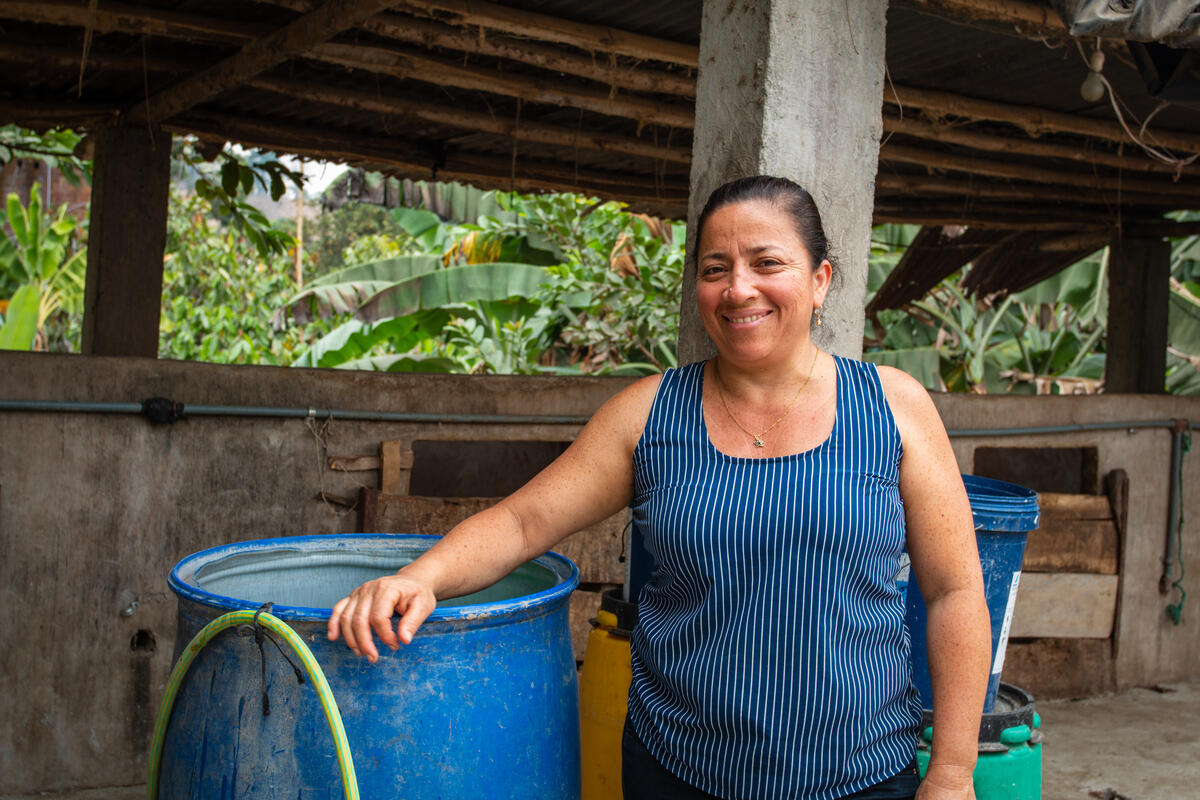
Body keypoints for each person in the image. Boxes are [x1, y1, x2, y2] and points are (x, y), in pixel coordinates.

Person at [327, 176, 991, 800]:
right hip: (680, 770)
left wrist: (954, 771)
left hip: (862, 774)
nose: (738, 289)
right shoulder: (648, 415)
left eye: (767, 263)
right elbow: (525, 522)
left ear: (819, 281)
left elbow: (954, 590)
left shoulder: (893, 409)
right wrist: (422, 577)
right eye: (714, 269)